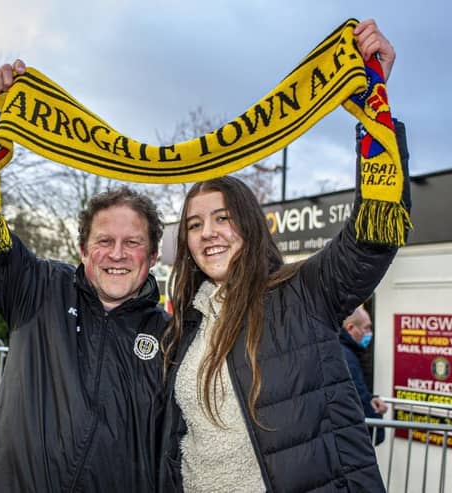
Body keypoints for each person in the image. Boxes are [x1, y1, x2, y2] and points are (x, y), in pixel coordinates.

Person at [160, 19, 409, 492]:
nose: (208, 233)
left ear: (250, 227)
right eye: (195, 224)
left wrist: (375, 115)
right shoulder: (185, 324)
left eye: (223, 217)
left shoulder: (302, 294)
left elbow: (370, 239)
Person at [0, 62, 169, 492]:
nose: (117, 254)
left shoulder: (172, 337)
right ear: (82, 250)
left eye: (133, 243)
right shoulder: (37, 288)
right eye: (104, 241)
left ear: (154, 255)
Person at [341, 305, 388, 445]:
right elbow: (358, 397)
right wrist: (377, 428)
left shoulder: (344, 352)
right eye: (366, 328)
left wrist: (371, 398)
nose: (369, 333)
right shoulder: (348, 358)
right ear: (350, 328)